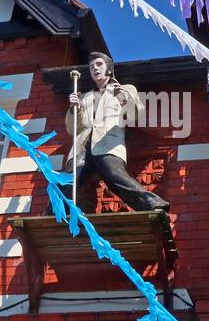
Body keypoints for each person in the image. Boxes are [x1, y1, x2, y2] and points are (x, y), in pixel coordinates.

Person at [67, 52, 169, 212]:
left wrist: (122, 96)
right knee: (67, 182)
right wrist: (74, 109)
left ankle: (152, 203)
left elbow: (135, 114)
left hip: (107, 144)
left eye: (99, 64)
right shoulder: (84, 97)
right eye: (91, 66)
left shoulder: (125, 89)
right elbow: (71, 128)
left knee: (116, 177)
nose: (95, 68)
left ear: (109, 69)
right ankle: (52, 214)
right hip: (81, 148)